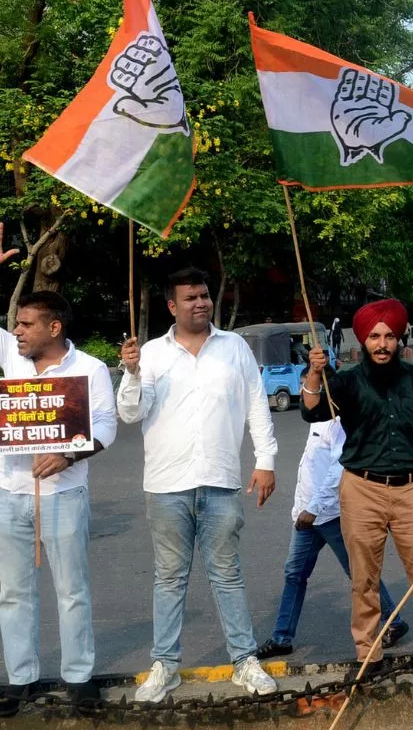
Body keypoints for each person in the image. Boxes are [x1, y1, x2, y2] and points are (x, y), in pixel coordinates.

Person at [118, 267, 280, 702]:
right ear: (172, 306)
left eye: (205, 295)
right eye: (190, 297)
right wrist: (131, 374)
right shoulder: (150, 353)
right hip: (166, 485)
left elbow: (256, 406)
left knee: (227, 576)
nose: (200, 303)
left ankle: (244, 661)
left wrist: (266, 461)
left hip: (221, 481)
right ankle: (165, 665)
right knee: (169, 579)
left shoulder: (235, 349)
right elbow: (131, 415)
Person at [301, 299, 413, 685]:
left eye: (389, 336)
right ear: (363, 340)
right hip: (362, 489)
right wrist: (314, 374)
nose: (382, 344)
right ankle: (369, 655)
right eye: (375, 336)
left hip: (412, 490)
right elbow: (312, 411)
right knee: (364, 578)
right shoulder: (345, 381)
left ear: (400, 339)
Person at [0, 286, 117, 715]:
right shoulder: (12, 358)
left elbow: (106, 425)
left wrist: (68, 454)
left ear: (54, 326)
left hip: (65, 494)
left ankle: (79, 677)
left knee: (72, 591)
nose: (17, 331)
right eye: (16, 324)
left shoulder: (90, 367)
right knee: (12, 592)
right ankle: (21, 678)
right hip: (9, 492)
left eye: (26, 324)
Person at [255, 408, 410, 660]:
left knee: (358, 571)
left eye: (311, 389)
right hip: (307, 517)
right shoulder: (316, 419)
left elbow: (338, 469)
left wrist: (314, 508)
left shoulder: (338, 423)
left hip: (330, 515)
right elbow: (310, 467)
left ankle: (393, 620)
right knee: (294, 574)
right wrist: (301, 509)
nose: (306, 395)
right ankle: (281, 638)